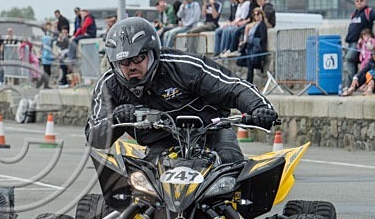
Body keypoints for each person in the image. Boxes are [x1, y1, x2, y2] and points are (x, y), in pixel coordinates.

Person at [85, 17, 277, 202]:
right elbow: (94, 135)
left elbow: (233, 87)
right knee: (140, 188)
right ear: (115, 64)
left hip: (210, 134)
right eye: (125, 63)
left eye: (138, 58)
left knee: (232, 167)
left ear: (152, 53)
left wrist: (259, 108)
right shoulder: (108, 85)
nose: (132, 67)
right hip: (160, 144)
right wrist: (115, 119)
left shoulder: (184, 66)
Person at [343, 0, 375, 89]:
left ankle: (355, 82)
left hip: (360, 43)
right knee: (351, 64)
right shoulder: (354, 14)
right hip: (351, 43)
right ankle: (350, 85)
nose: (359, 2)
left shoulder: (368, 12)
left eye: (361, 0)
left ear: (365, 2)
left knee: (348, 60)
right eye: (357, 1)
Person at [237, 8, 269, 83]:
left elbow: (263, 38)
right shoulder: (253, 24)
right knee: (239, 61)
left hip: (256, 49)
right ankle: (257, 68)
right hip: (249, 48)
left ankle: (249, 82)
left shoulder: (262, 25)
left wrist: (250, 41)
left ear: (261, 14)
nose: (256, 16)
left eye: (258, 14)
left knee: (250, 64)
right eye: (254, 15)